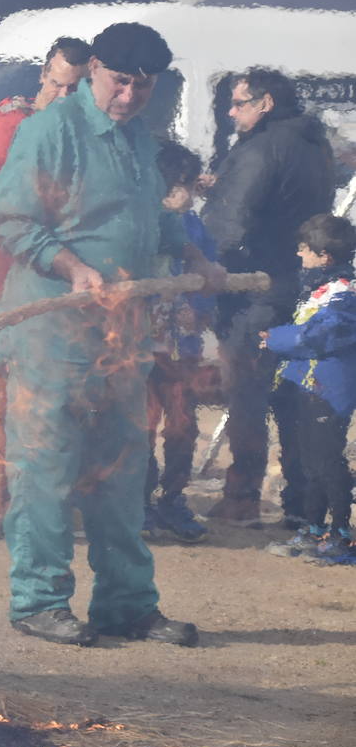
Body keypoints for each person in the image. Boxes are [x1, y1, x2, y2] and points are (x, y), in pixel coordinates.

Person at [0, 22, 225, 647]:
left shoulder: (139, 140)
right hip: (51, 335)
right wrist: (74, 267)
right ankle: (39, 602)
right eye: (120, 81)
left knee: (122, 474)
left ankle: (126, 606)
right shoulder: (49, 131)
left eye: (142, 87)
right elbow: (10, 221)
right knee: (46, 471)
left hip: (122, 339)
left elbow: (153, 224)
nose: (128, 97)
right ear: (95, 68)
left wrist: (195, 261)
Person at [201, 68, 342, 526]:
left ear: (265, 104)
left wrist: (208, 265)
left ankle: (241, 496)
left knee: (247, 396)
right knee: (291, 398)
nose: (231, 111)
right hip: (298, 287)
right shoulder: (313, 144)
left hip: (254, 289)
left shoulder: (260, 148)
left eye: (240, 103)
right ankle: (302, 501)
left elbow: (230, 223)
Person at [262, 214, 356, 564]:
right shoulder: (320, 289)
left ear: (324, 256)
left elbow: (320, 335)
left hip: (329, 391)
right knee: (311, 463)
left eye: (304, 249)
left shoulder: (343, 293)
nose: (299, 255)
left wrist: (275, 339)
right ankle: (315, 529)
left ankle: (342, 534)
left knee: (328, 463)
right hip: (310, 385)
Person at [143, 142, 215, 543]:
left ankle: (173, 497)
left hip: (182, 348)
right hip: (140, 346)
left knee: (183, 426)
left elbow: (210, 271)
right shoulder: (141, 223)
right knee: (141, 426)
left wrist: (200, 307)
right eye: (177, 185)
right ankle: (139, 502)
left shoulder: (195, 228)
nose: (185, 194)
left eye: (189, 185)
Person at [0, 37, 90, 282]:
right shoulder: (10, 124)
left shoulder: (84, 128)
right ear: (42, 75)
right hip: (27, 265)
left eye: (74, 89)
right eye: (56, 84)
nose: (63, 96)